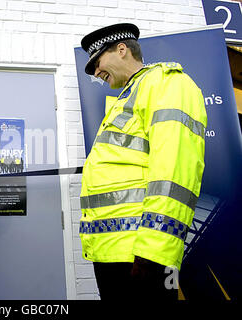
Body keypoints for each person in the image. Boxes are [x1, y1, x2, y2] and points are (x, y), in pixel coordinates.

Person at [79, 23, 207, 300]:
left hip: (142, 255)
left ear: (121, 50)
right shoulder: (129, 94)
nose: (97, 74)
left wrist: (153, 252)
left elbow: (175, 173)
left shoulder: (168, 83)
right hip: (113, 251)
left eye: (97, 62)